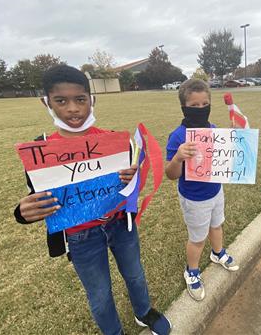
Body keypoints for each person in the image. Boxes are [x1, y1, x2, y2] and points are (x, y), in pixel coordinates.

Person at [14, 65, 171, 335]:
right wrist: (22, 212)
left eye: (80, 99)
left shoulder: (113, 142)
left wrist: (132, 177)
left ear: (92, 100)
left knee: (135, 273)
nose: (73, 108)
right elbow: (37, 196)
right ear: (46, 102)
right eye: (61, 101)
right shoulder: (41, 150)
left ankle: (143, 311)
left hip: (120, 225)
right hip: (80, 236)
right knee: (99, 293)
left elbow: (130, 185)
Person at [165, 79, 239, 302]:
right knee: (197, 238)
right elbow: (171, 173)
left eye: (204, 104)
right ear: (184, 107)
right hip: (194, 198)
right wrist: (178, 156)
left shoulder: (213, 129)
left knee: (217, 225)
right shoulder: (178, 136)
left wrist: (233, 141)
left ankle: (218, 254)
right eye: (194, 106)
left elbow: (223, 158)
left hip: (216, 190)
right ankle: (192, 271)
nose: (200, 109)